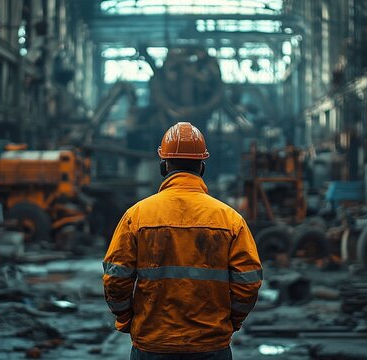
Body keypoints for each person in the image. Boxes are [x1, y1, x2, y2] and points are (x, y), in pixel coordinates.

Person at [103, 122, 262, 359]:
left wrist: (127, 318)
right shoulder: (230, 220)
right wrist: (229, 322)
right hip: (211, 346)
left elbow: (116, 279)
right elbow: (248, 283)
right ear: (202, 166)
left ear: (163, 166)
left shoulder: (136, 216)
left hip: (153, 345)